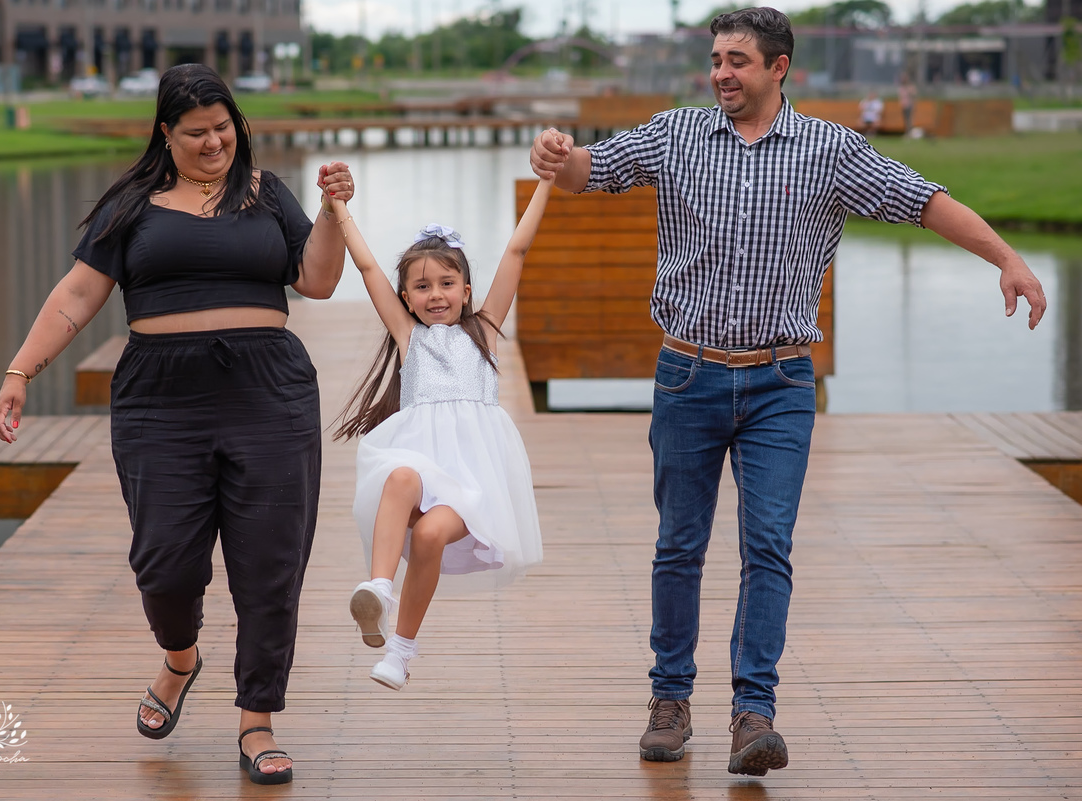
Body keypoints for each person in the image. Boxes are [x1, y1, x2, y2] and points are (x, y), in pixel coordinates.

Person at [529, 6, 1046, 778]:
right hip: (688, 371)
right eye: (715, 59)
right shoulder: (675, 134)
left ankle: (753, 714)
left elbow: (925, 200)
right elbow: (589, 173)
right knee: (680, 543)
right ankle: (669, 700)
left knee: (767, 546)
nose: (721, 73)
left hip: (780, 379)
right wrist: (556, 154)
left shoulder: (831, 150)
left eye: (738, 60)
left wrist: (1007, 257)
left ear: (779, 68)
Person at [0, 64, 354, 786]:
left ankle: (258, 718)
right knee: (165, 560)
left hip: (268, 393)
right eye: (196, 133)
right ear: (166, 133)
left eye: (224, 128)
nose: (214, 142)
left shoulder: (267, 193)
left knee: (269, 566)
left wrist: (335, 214)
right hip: (161, 398)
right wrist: (20, 370)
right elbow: (77, 294)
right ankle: (181, 657)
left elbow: (316, 280)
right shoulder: (132, 204)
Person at [329, 178, 554, 690]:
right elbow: (367, 268)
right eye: (422, 287)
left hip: (473, 484)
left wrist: (546, 182)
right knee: (402, 476)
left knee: (431, 533)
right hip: (422, 468)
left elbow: (517, 249)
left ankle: (401, 650)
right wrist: (338, 208)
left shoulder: (486, 333)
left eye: (447, 284)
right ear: (405, 298)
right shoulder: (408, 337)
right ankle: (380, 589)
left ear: (467, 290)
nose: (436, 295)